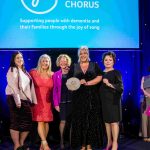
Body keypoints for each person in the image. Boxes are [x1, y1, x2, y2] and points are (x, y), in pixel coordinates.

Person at [67, 46, 104, 150]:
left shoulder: (94, 65)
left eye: (85, 53)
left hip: (92, 97)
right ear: (79, 55)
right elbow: (69, 83)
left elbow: (100, 76)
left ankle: (89, 144)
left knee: (91, 121)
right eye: (81, 53)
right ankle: (82, 145)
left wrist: (88, 83)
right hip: (78, 98)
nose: (83, 55)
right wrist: (78, 82)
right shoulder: (74, 66)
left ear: (88, 54)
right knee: (80, 121)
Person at [5, 51, 37, 150]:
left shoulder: (24, 71)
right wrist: (17, 100)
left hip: (24, 100)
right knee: (16, 122)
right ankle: (16, 145)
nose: (20, 60)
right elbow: (13, 86)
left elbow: (29, 87)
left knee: (27, 123)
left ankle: (21, 144)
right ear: (14, 60)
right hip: (14, 98)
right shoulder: (12, 69)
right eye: (17, 58)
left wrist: (32, 100)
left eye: (21, 58)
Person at [100, 51, 123, 150]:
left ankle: (115, 143)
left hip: (113, 100)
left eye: (110, 60)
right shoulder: (100, 74)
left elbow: (121, 87)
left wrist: (109, 84)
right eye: (106, 60)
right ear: (103, 61)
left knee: (114, 122)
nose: (108, 61)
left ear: (113, 61)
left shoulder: (116, 72)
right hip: (103, 101)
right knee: (107, 122)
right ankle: (109, 141)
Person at [29, 54, 54, 150]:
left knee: (46, 122)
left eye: (47, 61)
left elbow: (57, 88)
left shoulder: (52, 74)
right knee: (40, 121)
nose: (45, 62)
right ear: (40, 62)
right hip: (36, 101)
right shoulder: (33, 72)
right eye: (43, 60)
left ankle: (41, 147)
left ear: (49, 63)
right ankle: (45, 143)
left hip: (47, 102)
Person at [53, 54, 72, 149]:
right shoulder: (56, 74)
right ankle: (61, 141)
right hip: (62, 102)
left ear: (68, 62)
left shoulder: (72, 72)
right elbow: (55, 90)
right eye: (61, 61)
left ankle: (72, 141)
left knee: (72, 122)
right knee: (63, 121)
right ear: (59, 63)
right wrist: (56, 104)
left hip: (72, 101)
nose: (63, 62)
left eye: (65, 61)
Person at [140, 67, 150, 142]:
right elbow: (141, 88)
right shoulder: (144, 77)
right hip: (145, 99)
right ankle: (145, 136)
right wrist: (146, 93)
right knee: (144, 117)